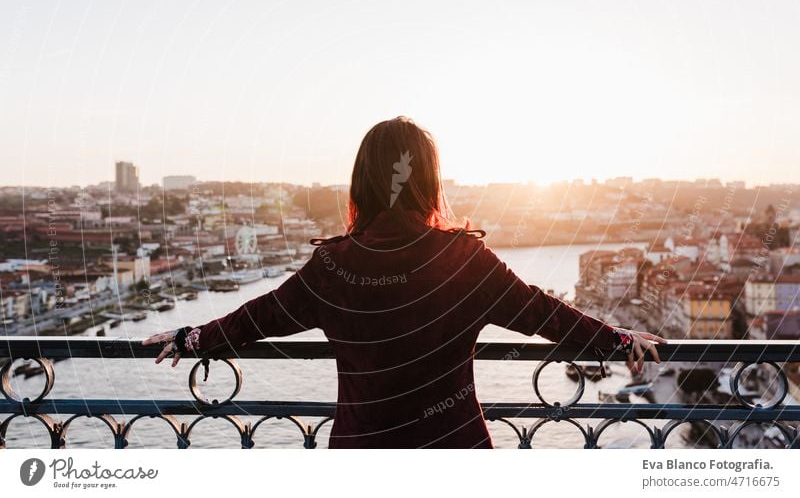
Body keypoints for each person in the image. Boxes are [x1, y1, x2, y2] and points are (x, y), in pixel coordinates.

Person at [144, 116, 666, 448]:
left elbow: (256, 319)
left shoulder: (332, 268)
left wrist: (190, 339)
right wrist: (619, 340)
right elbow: (542, 313)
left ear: (361, 181)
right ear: (429, 181)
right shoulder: (464, 260)